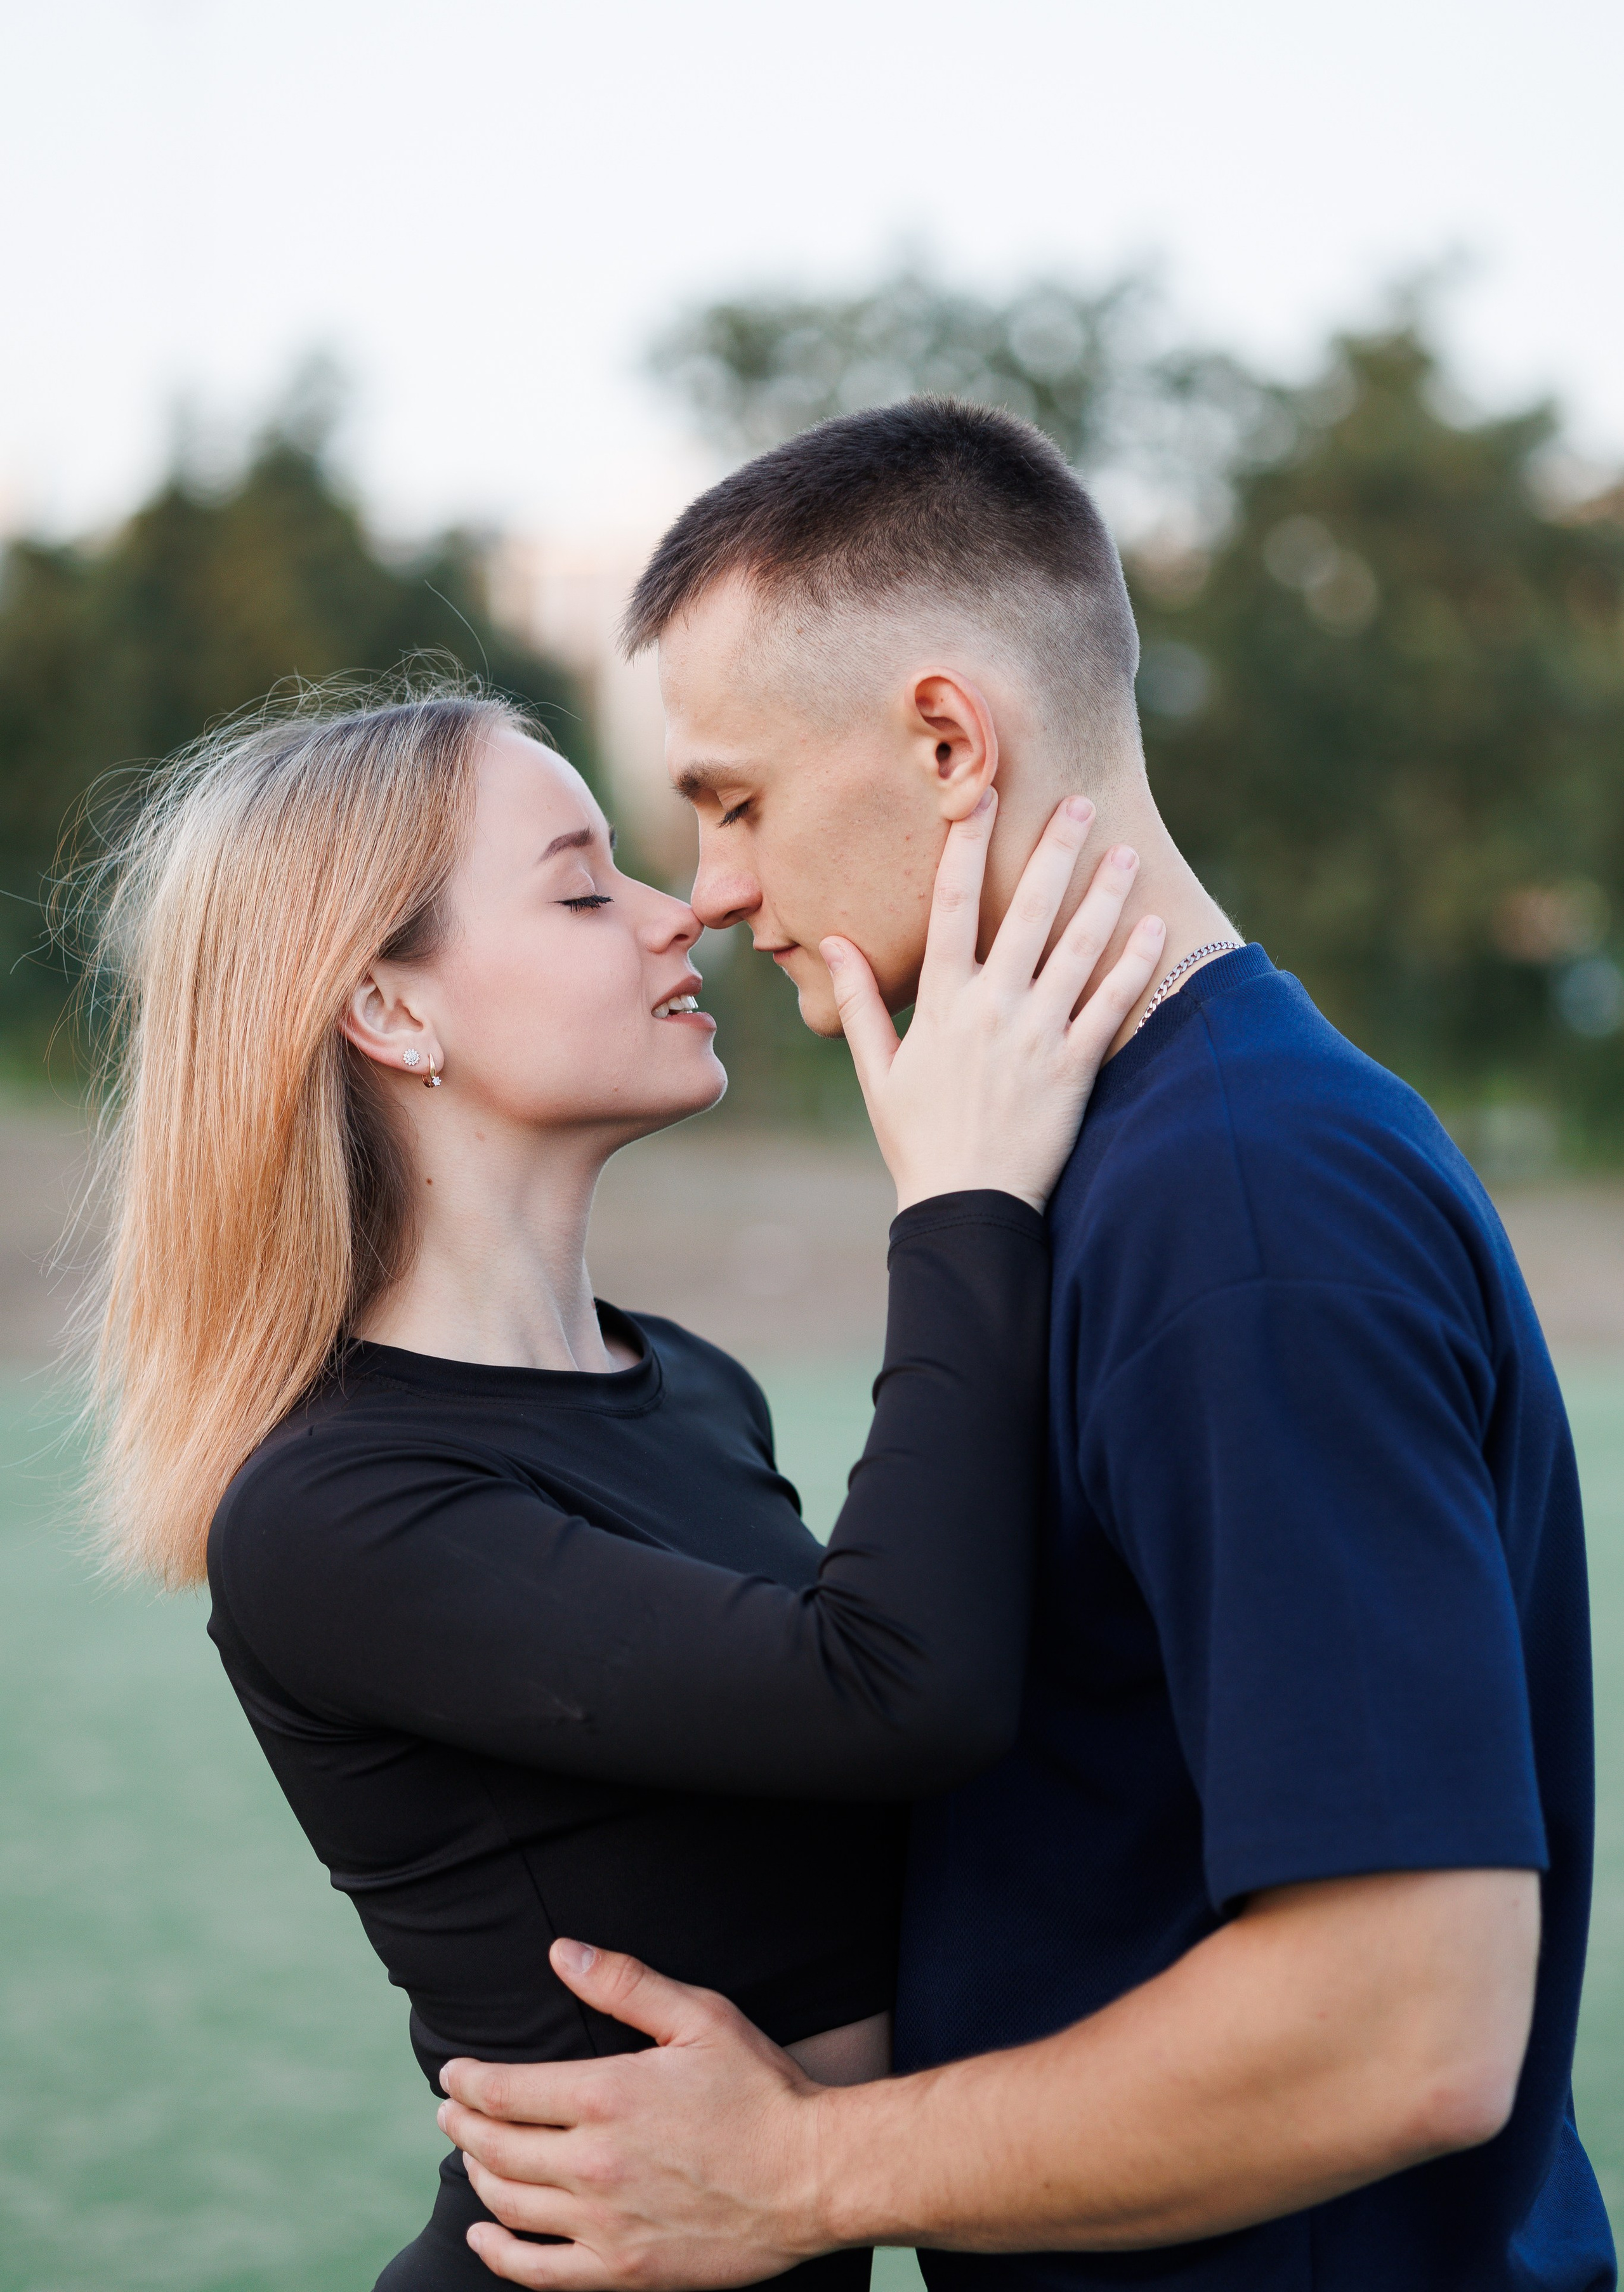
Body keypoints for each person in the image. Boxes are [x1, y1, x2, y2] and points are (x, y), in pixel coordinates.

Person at [437, 398, 1616, 2292]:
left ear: (945, 741)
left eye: (735, 799)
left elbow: (1409, 2022)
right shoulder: (1124, 1161)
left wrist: (806, 2172)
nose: (718, 892)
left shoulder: (1243, 1206)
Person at [74, 679, 1164, 2291]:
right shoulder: (329, 1515)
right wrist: (959, 1200)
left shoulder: (685, 1386)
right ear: (387, 1010)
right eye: (586, 888)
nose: (683, 917)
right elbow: (896, 1692)